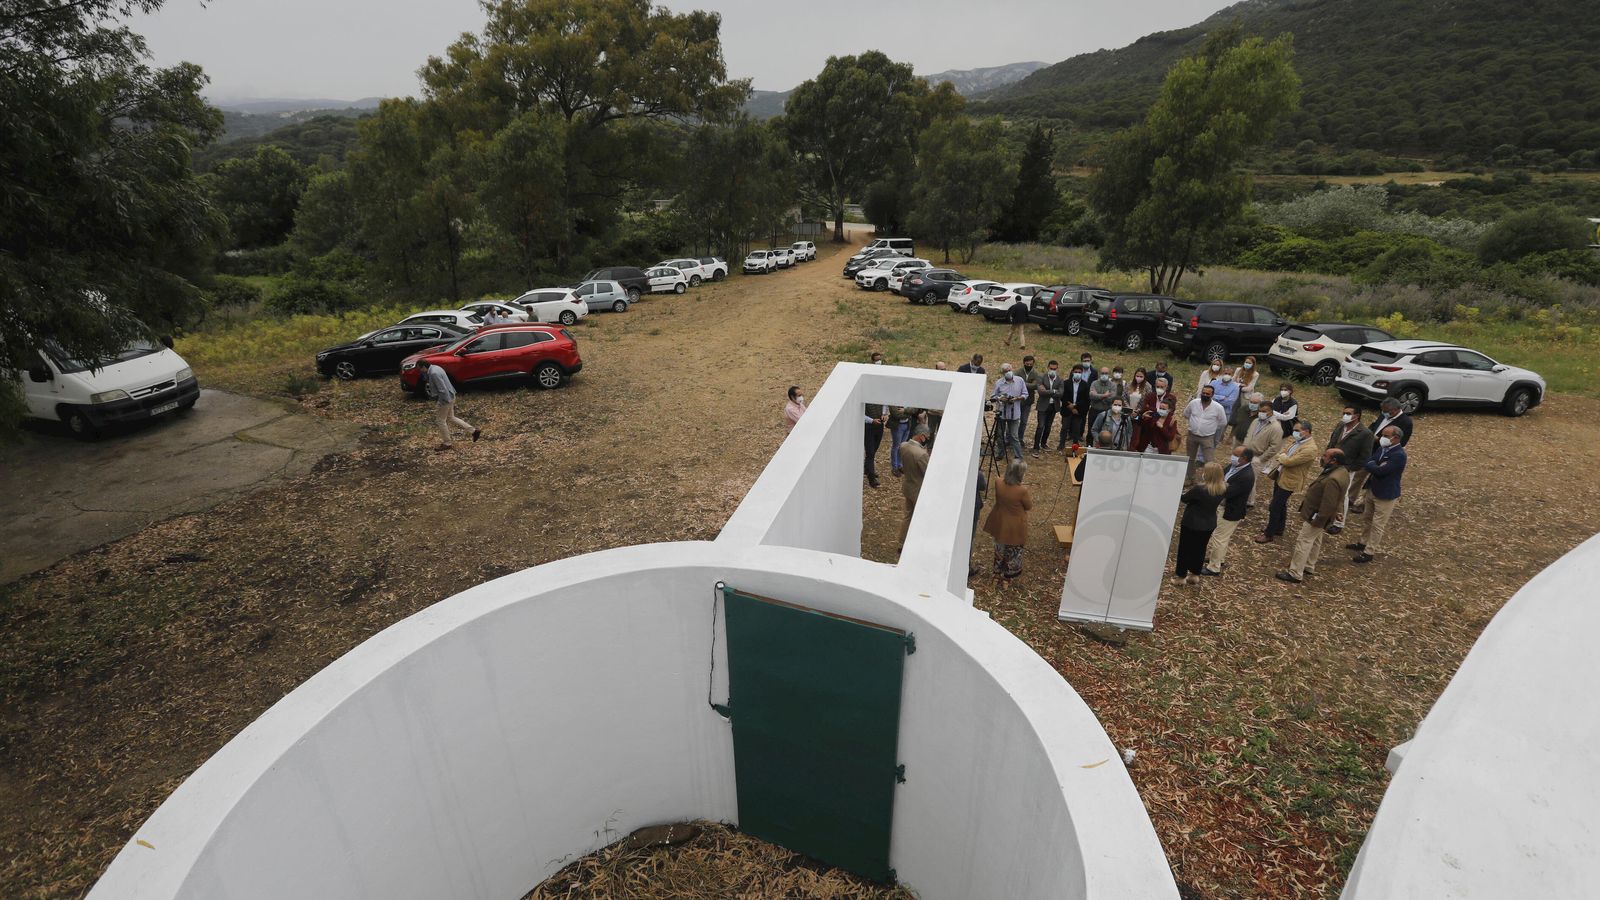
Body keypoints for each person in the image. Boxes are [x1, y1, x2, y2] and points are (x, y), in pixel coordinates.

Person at [1276, 449, 1349, 583]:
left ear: (1334, 461)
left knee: (1304, 541)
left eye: (1325, 456)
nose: (1322, 458)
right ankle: (1309, 565)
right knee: (1315, 540)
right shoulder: (1342, 472)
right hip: (1321, 515)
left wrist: (1319, 519)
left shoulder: (1333, 478)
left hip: (1317, 515)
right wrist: (1337, 512)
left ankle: (1295, 573)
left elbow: (1329, 502)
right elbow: (1340, 497)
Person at [1347, 426, 1407, 564]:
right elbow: (1369, 462)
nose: (1382, 438)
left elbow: (1381, 471)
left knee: (1378, 524)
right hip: (1372, 489)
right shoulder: (1382, 449)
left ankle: (1369, 551)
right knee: (1367, 517)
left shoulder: (1399, 455)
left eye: (1386, 435)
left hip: (1385, 494)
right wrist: (1375, 465)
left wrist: (1374, 466)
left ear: (1396, 438)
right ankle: (1362, 542)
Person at [1256, 420, 1315, 543]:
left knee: (1275, 506)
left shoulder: (1310, 448)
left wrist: (1283, 458)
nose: (1294, 433)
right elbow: (1283, 454)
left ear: (1307, 432)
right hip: (1281, 475)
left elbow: (1289, 461)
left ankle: (1269, 533)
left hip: (1290, 481)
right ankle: (1279, 528)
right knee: (1281, 505)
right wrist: (1283, 458)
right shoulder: (1298, 442)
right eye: (1294, 430)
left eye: (1297, 431)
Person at [1352, 397, 1414, 512]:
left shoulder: (1406, 422)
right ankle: (1350, 499)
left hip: (1385, 455)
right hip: (1369, 451)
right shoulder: (1385, 415)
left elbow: (1402, 442)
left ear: (1395, 410)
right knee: (1358, 476)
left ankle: (1364, 503)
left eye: (1386, 410)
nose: (1383, 412)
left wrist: (1379, 439)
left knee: (1374, 479)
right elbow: (1374, 426)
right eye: (1383, 410)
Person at [1202, 448, 1256, 575]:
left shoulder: (1246, 476)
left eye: (1236, 455)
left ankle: (1213, 567)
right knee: (1222, 537)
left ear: (1244, 459)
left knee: (1219, 538)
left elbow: (1228, 492)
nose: (1232, 457)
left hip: (1230, 511)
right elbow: (1222, 478)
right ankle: (1219, 559)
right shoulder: (1233, 467)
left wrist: (1212, 483)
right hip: (1222, 507)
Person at [1174, 462, 1226, 585]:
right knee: (1200, 549)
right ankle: (1194, 574)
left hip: (1192, 523)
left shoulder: (1200, 489)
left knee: (1184, 550)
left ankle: (1181, 576)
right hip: (1209, 524)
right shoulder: (1223, 488)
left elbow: (1185, 499)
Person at [1326, 406, 1374, 531]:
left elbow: (1365, 456)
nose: (1344, 415)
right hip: (1331, 464)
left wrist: (1350, 468)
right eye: (1344, 413)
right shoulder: (1341, 425)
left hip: (1346, 469)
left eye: (1348, 413)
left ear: (1356, 416)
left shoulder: (1365, 433)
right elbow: (1333, 441)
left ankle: (1338, 523)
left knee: (1343, 496)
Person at [983, 459, 1032, 579]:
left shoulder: (998, 482)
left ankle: (996, 572)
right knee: (1013, 551)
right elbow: (1028, 506)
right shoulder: (1022, 491)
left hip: (1000, 521)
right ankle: (1008, 575)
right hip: (1015, 525)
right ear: (1020, 474)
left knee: (999, 549)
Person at [420, 359, 480, 451]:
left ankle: (447, 443)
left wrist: (442, 401)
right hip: (451, 395)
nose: (420, 371)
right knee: (451, 417)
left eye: (420, 369)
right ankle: (473, 431)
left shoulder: (433, 373)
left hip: (446, 398)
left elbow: (442, 389)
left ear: (424, 367)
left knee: (440, 421)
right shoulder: (436, 367)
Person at [1242, 400, 1284, 506]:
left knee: (1251, 480)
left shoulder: (1276, 427)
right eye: (1260, 411)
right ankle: (1242, 497)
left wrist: (1261, 459)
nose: (1261, 413)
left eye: (1264, 411)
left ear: (1271, 411)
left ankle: (1249, 501)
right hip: (1246, 453)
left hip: (1258, 457)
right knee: (1243, 477)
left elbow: (1275, 447)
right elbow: (1249, 434)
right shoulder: (1256, 421)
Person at [896, 426, 931, 549]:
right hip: (918, 489)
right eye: (927, 437)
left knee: (907, 516)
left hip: (908, 486)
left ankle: (902, 543)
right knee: (920, 517)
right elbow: (928, 473)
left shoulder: (903, 446)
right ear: (922, 436)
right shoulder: (921, 454)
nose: (927, 440)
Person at [1183, 385, 1229, 472]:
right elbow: (1186, 414)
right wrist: (1193, 424)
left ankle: (1209, 482)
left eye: (1207, 393)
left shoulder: (1218, 407)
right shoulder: (1193, 403)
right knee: (1190, 459)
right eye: (1203, 393)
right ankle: (1190, 477)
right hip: (1192, 436)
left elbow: (1223, 422)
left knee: (1209, 461)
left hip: (1207, 438)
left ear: (1212, 395)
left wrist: (1211, 427)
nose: (1205, 395)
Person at [989, 363, 1029, 460]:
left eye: (1009, 370)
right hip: (1002, 412)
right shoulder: (999, 382)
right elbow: (993, 397)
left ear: (1012, 369)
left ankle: (1018, 456)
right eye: (1005, 371)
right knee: (999, 434)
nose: (1008, 372)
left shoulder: (1020, 381)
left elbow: (1025, 393)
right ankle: (1001, 453)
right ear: (1002, 373)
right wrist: (1000, 398)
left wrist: (1018, 398)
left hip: (1014, 413)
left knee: (1014, 436)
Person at [1032, 360, 1065, 455]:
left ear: (1057, 369)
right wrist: (1054, 391)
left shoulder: (1060, 379)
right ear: (1048, 367)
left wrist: (1048, 391)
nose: (1053, 370)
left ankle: (1043, 443)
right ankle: (1036, 447)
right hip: (1042, 406)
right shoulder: (1041, 377)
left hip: (1053, 406)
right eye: (1051, 368)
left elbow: (1061, 393)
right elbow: (1041, 392)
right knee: (1040, 426)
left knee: (1048, 426)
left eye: (1054, 369)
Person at [1061, 363, 1092, 450]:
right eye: (1076, 372)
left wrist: (1075, 406)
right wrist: (1069, 405)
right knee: (1064, 427)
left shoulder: (1085, 385)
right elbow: (1063, 396)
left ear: (1082, 373)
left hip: (1078, 410)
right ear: (1072, 372)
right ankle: (1061, 444)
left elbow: (1086, 399)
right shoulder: (1066, 383)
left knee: (1076, 429)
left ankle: (1075, 445)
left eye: (1079, 372)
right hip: (1066, 409)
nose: (1077, 373)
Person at [888, 403, 918, 476]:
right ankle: (894, 468)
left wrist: (904, 410)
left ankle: (900, 465)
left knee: (902, 446)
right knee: (896, 446)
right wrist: (909, 414)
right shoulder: (893, 400)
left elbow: (915, 410)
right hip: (897, 426)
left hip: (907, 425)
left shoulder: (908, 398)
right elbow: (896, 414)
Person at [1017, 355, 1039, 443]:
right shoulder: (1018, 372)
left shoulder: (1035, 373)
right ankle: (1009, 438)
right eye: (1027, 364)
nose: (1029, 366)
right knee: (1013, 421)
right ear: (1024, 363)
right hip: (1017, 400)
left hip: (1028, 400)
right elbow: (1015, 383)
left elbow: (1035, 385)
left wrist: (1022, 383)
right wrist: (1029, 384)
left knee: (1024, 421)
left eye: (1031, 364)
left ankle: (1020, 439)